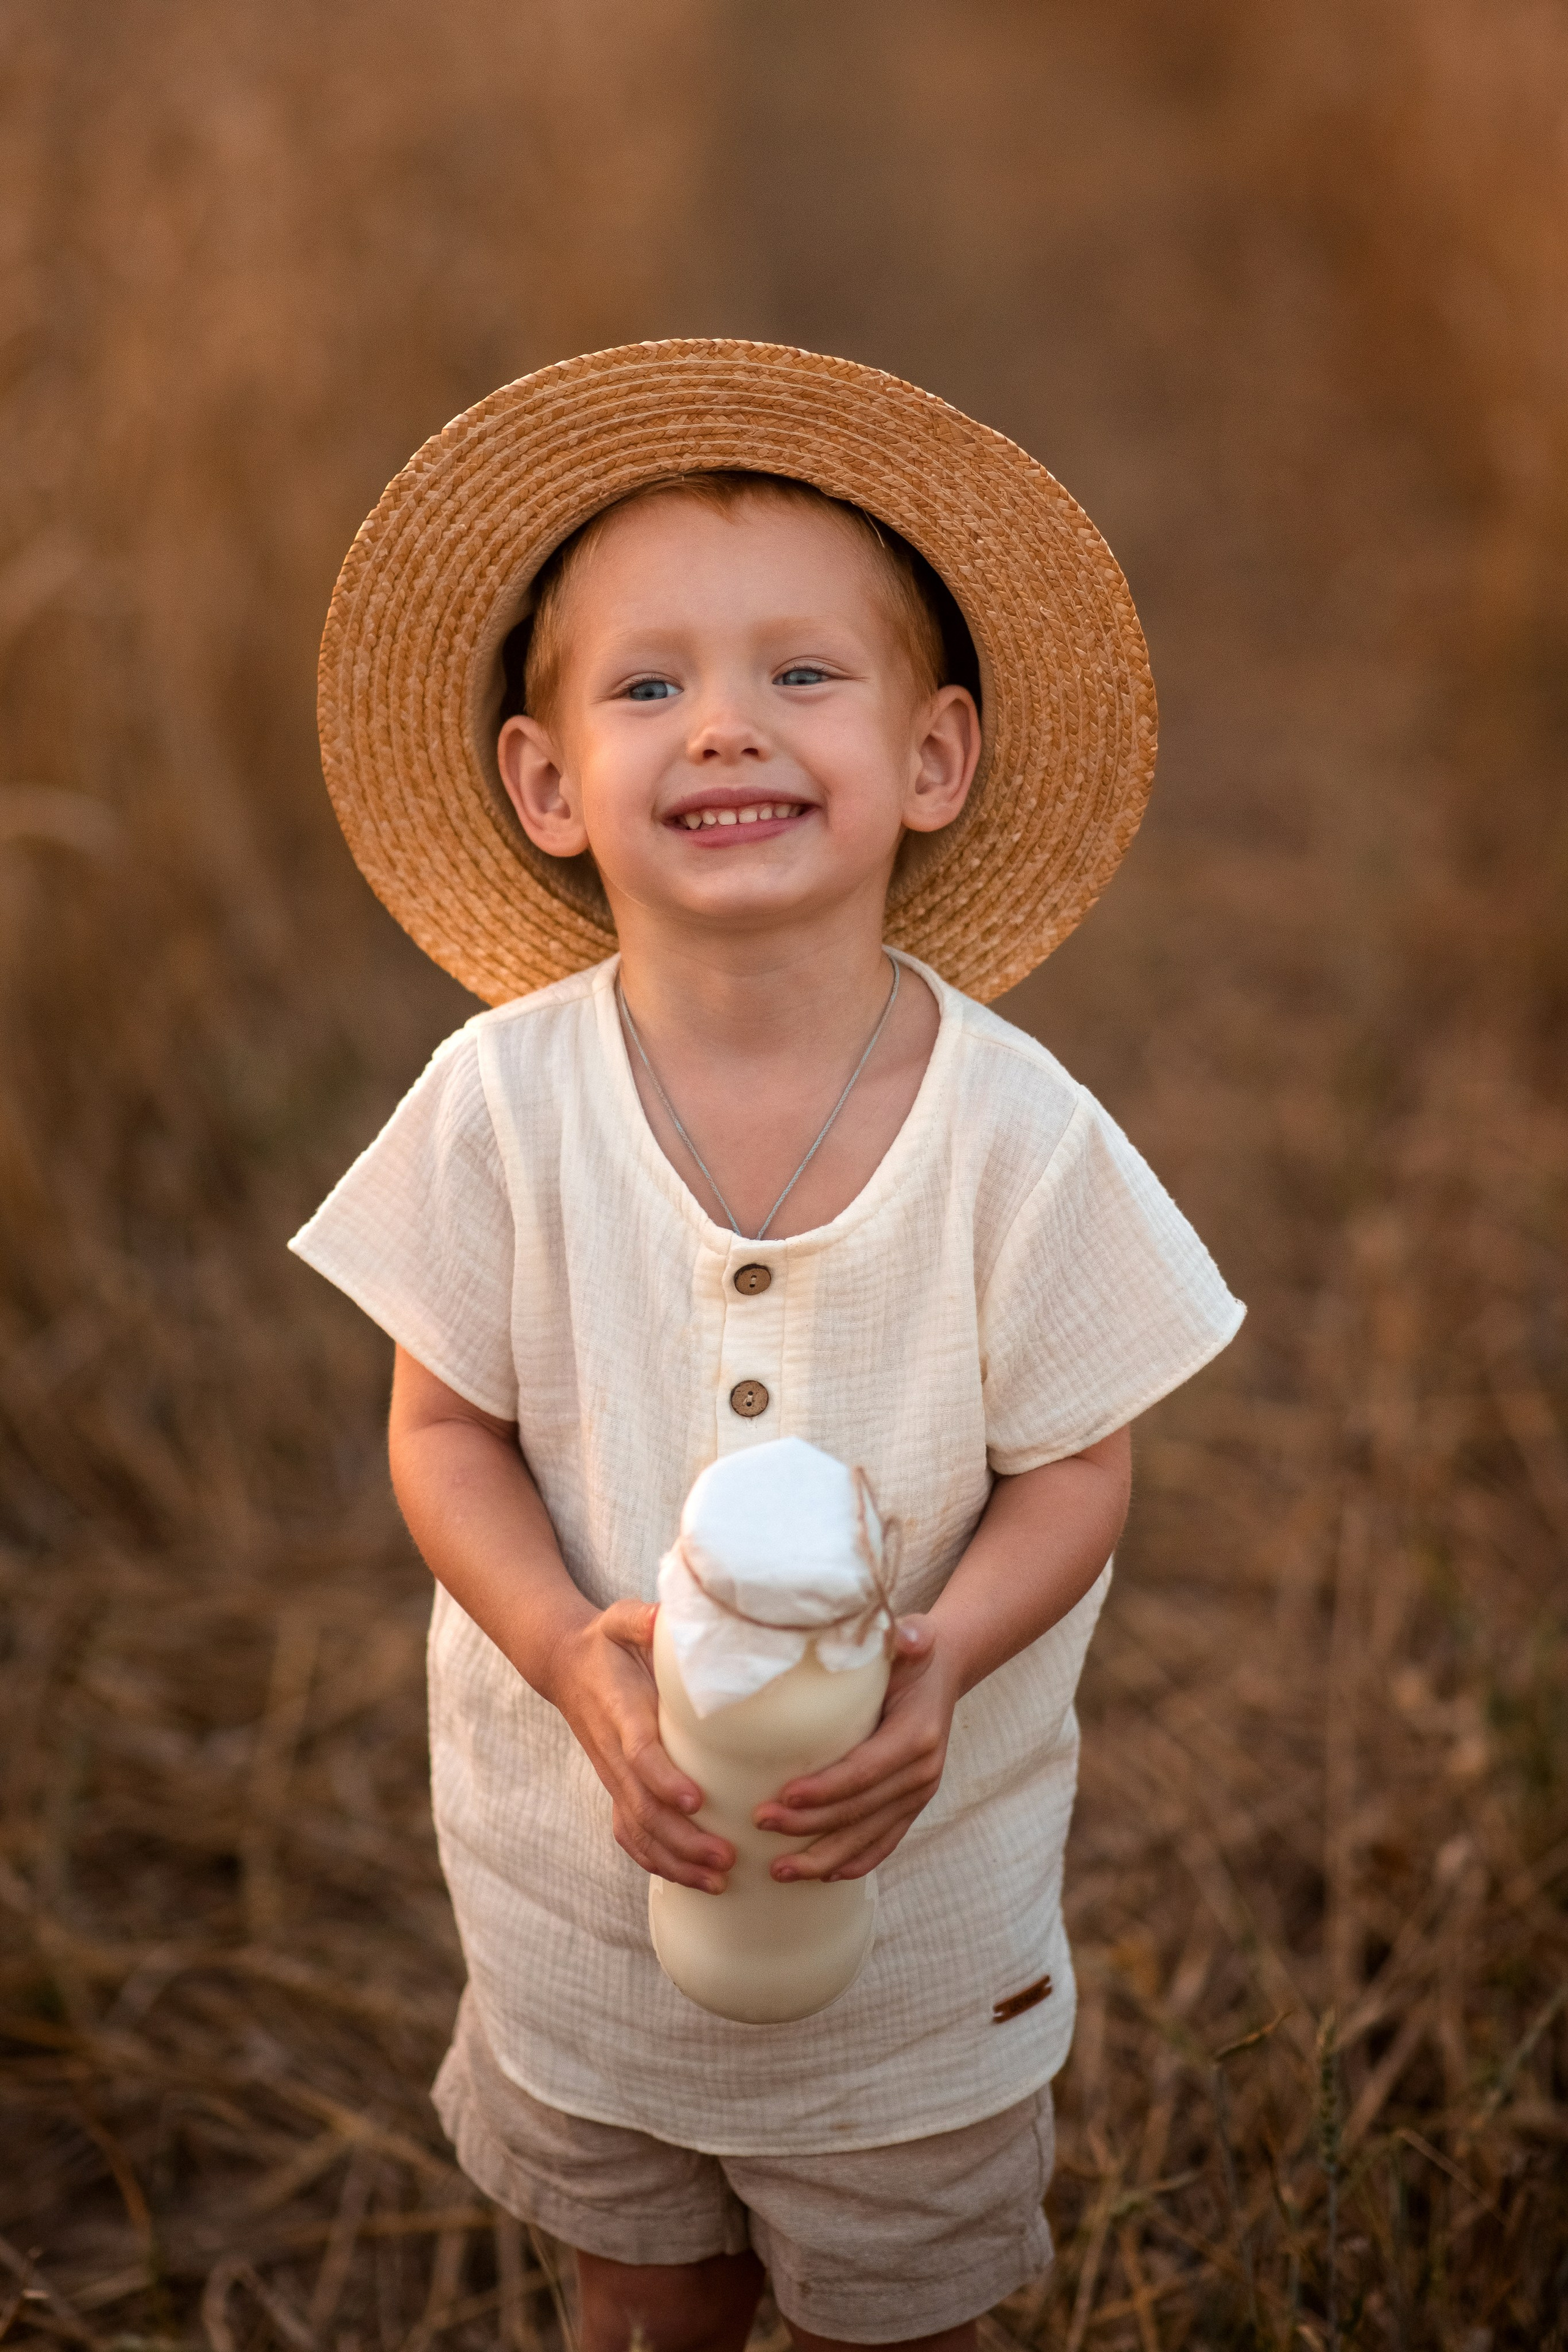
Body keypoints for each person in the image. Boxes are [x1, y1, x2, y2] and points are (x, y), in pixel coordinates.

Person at [292, 341, 1243, 2351]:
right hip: (585, 1865)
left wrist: (945, 1658)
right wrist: (567, 1650)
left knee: (896, 2309)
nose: (726, 723)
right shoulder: (499, 1104)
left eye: (803, 674)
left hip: (912, 1895)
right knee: (642, 2298)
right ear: (548, 786)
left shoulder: (1015, 1132)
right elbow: (443, 1432)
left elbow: (1078, 1463)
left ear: (935, 757)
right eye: (648, 688)